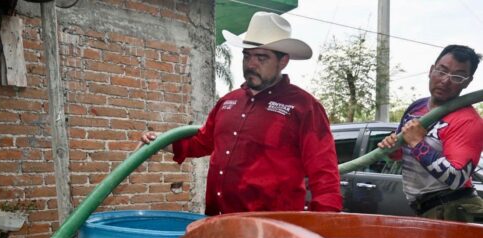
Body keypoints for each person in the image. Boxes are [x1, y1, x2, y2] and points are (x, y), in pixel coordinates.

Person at [141, 12, 342, 216]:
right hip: (219, 221)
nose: (251, 64)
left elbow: (324, 173)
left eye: (261, 57)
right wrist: (161, 142)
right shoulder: (228, 101)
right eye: (247, 56)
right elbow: (202, 142)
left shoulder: (304, 107)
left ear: (283, 62)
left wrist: (324, 226)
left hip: (272, 231)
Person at [378, 44, 483, 222]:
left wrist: (418, 144)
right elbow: (400, 150)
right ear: (431, 70)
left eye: (457, 76)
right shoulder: (416, 107)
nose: (446, 80)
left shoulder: (468, 121)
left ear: (467, 82)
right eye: (442, 71)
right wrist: (391, 147)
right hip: (428, 208)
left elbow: (456, 179)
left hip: (456, 209)